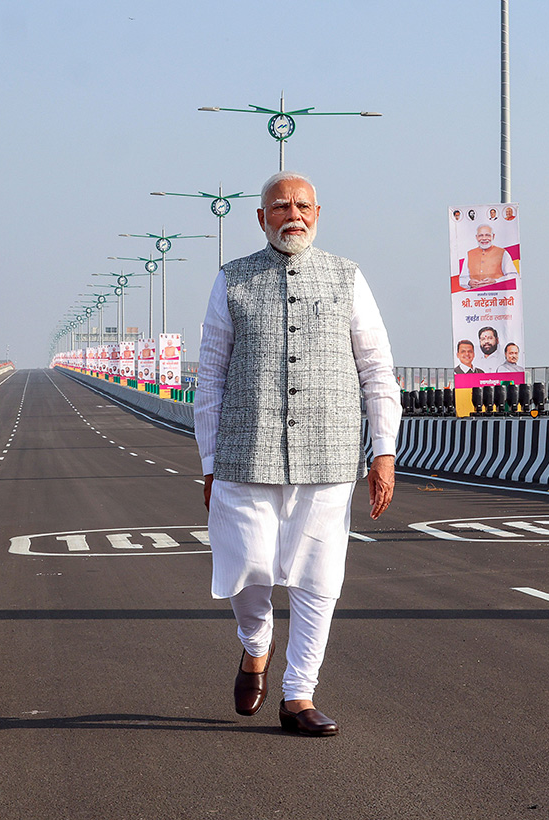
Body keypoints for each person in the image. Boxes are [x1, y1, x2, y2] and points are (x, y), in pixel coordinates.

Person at [195, 171, 400, 737]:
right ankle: (255, 645)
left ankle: (298, 695)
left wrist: (383, 451)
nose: (294, 214)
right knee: (248, 570)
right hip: (245, 454)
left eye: (304, 206)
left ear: (318, 213)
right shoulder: (231, 281)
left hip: (329, 456)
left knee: (318, 578)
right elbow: (209, 375)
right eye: (281, 206)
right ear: (261, 218)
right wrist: (208, 462)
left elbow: (378, 370)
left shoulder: (347, 278)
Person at [459, 224, 516, 289]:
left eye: (487, 235)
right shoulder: (469, 254)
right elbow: (462, 278)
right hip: (475, 296)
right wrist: (469, 282)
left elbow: (513, 275)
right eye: (481, 235)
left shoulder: (503, 253)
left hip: (498, 295)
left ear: (493, 236)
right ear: (476, 237)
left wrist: (495, 281)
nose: (484, 238)